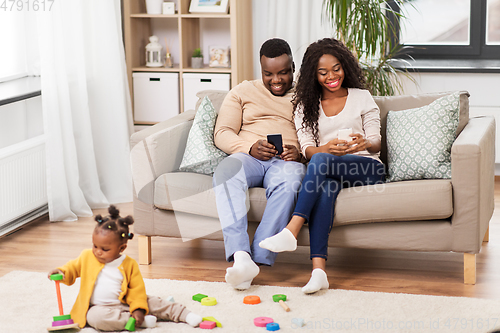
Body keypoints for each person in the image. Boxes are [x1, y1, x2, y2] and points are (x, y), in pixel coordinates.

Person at [259, 38, 386, 294]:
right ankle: (319, 272)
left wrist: (365, 142)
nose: (331, 76)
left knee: (319, 161)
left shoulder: (361, 97)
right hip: (330, 169)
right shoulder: (306, 105)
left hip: (367, 167)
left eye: (336, 68)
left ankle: (292, 229)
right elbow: (307, 148)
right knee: (325, 188)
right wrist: (326, 149)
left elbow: (376, 142)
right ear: (313, 75)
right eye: (323, 72)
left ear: (345, 67)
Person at [212, 38, 306, 290]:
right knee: (226, 172)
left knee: (292, 182)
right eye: (269, 74)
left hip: (286, 161)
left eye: (283, 73)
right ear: (261, 70)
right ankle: (241, 256)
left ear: (293, 68)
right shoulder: (242, 91)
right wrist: (248, 147)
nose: (276, 80)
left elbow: (318, 137)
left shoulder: (307, 95)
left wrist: (300, 153)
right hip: (249, 157)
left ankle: (259, 257)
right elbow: (222, 132)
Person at [47, 206, 202, 331]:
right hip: (98, 307)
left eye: (105, 249)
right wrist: (62, 272)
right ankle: (137, 322)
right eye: (95, 246)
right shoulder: (87, 256)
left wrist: (138, 308)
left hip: (126, 300)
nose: (97, 251)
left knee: (154, 302)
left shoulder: (129, 264)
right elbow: (72, 268)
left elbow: (136, 289)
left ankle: (184, 314)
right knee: (94, 318)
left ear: (122, 248)